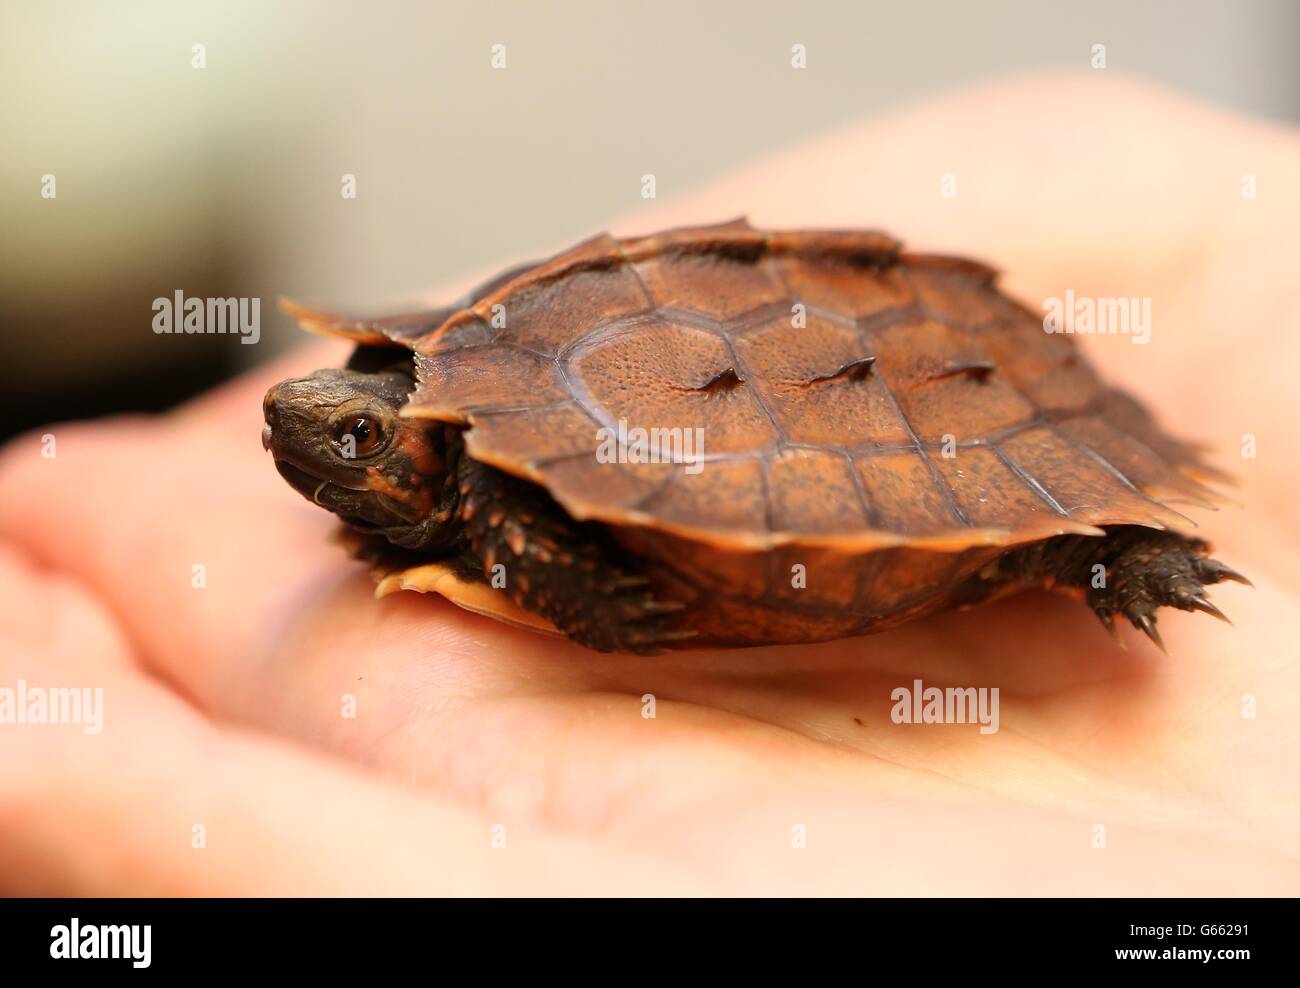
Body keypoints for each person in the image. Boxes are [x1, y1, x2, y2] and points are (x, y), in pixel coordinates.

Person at [2, 75, 1297, 895]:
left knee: (1055, 543)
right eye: (334, 430)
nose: (309, 431)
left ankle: (1106, 546)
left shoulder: (511, 507)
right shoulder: (449, 431)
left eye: (352, 439)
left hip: (932, 410)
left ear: (429, 456)